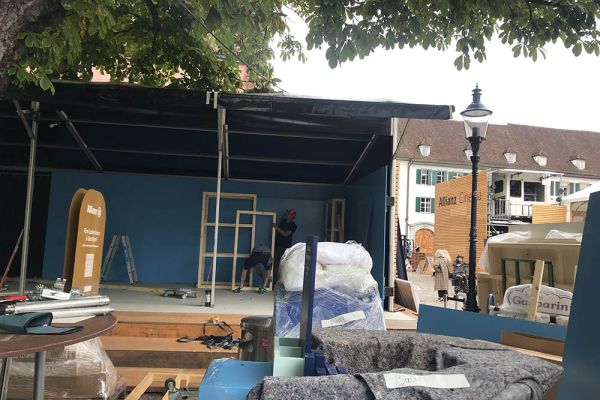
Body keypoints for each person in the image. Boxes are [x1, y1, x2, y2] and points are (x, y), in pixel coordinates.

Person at [273, 208, 297, 283]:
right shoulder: (283, 222)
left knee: (283, 266)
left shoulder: (293, 225)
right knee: (276, 265)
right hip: (278, 246)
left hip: (285, 248)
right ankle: (276, 283)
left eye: (289, 213)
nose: (287, 214)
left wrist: (277, 228)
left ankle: (282, 283)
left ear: (292, 216)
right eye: (288, 212)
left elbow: (285, 234)